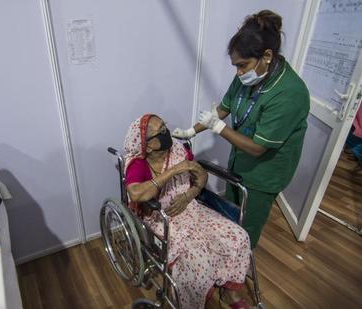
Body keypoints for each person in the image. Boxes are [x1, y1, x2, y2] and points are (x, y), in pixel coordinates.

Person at [173, 10, 310, 249]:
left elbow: (258, 148)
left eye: (242, 65)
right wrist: (191, 131)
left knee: (247, 228)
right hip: (240, 160)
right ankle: (226, 254)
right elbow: (224, 108)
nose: (238, 72)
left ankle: (239, 267)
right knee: (231, 212)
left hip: (264, 173)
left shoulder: (290, 93)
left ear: (267, 55)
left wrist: (218, 127)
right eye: (235, 66)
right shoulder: (249, 74)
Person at [124, 114, 251, 309]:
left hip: (190, 206)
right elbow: (136, 194)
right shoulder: (139, 163)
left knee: (238, 236)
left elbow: (201, 175)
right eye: (161, 132)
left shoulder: (178, 150)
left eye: (165, 126)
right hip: (161, 217)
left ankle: (229, 294)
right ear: (147, 146)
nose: (167, 133)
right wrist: (174, 171)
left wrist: (189, 194)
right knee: (199, 258)